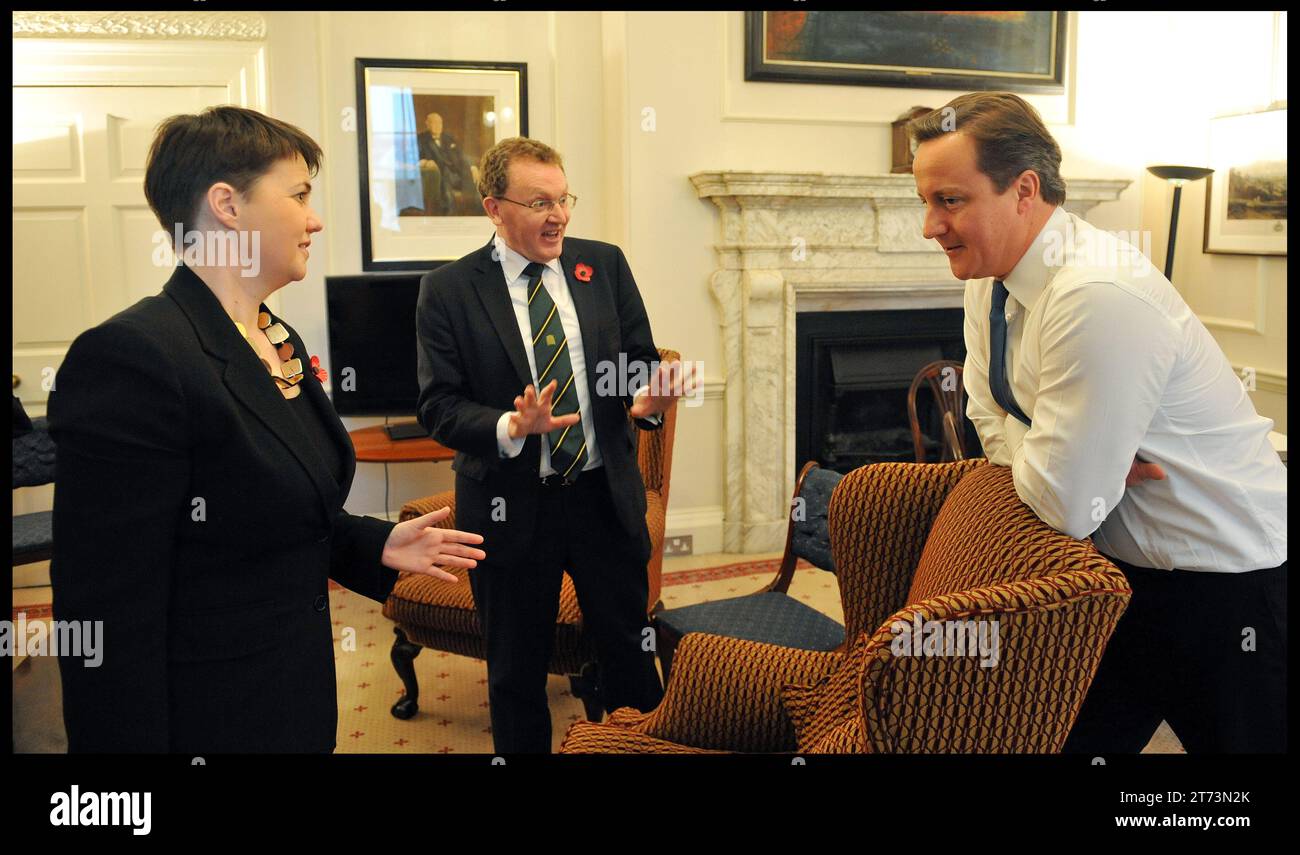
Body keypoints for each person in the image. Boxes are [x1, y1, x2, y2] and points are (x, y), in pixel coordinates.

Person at [47, 105, 486, 753]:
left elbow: (278, 509)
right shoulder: (133, 357)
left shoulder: (274, 335)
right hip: (209, 715)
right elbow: (104, 612)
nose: (315, 218)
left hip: (291, 695)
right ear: (227, 204)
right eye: (300, 194)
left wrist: (378, 542)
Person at [908, 92, 1287, 753]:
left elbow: (1066, 503)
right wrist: (1073, 457)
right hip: (1115, 575)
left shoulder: (1097, 294)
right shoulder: (986, 277)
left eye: (949, 200)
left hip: (1226, 584)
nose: (929, 225)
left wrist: (1079, 469)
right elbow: (981, 414)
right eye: (927, 201)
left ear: (1024, 190)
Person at [416, 136, 694, 753]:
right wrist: (509, 428)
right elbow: (437, 407)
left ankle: (641, 749)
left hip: (602, 496)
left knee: (629, 651)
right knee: (516, 668)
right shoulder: (449, 290)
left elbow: (637, 362)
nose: (559, 215)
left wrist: (646, 401)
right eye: (539, 201)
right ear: (494, 208)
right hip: (510, 506)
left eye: (564, 198)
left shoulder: (604, 264)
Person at [417, 112, 477, 216]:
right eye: (434, 123)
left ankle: (473, 207)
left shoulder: (448, 138)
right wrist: (425, 162)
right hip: (437, 176)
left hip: (456, 173)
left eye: (439, 123)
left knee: (471, 183)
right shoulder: (421, 139)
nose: (437, 126)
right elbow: (415, 157)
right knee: (445, 183)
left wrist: (472, 166)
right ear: (427, 124)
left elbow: (461, 155)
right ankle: (449, 211)